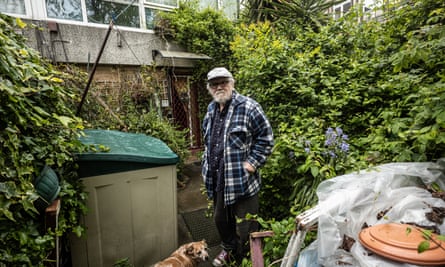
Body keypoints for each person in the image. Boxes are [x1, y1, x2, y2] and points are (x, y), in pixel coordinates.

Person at [201, 67, 274, 266]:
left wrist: (252, 163)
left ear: (232, 83)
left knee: (246, 227)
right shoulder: (210, 109)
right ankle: (229, 250)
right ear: (209, 88)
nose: (219, 87)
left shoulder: (249, 107)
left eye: (223, 82)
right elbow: (209, 141)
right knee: (221, 220)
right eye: (214, 84)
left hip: (242, 181)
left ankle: (247, 259)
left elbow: (266, 138)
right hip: (218, 180)